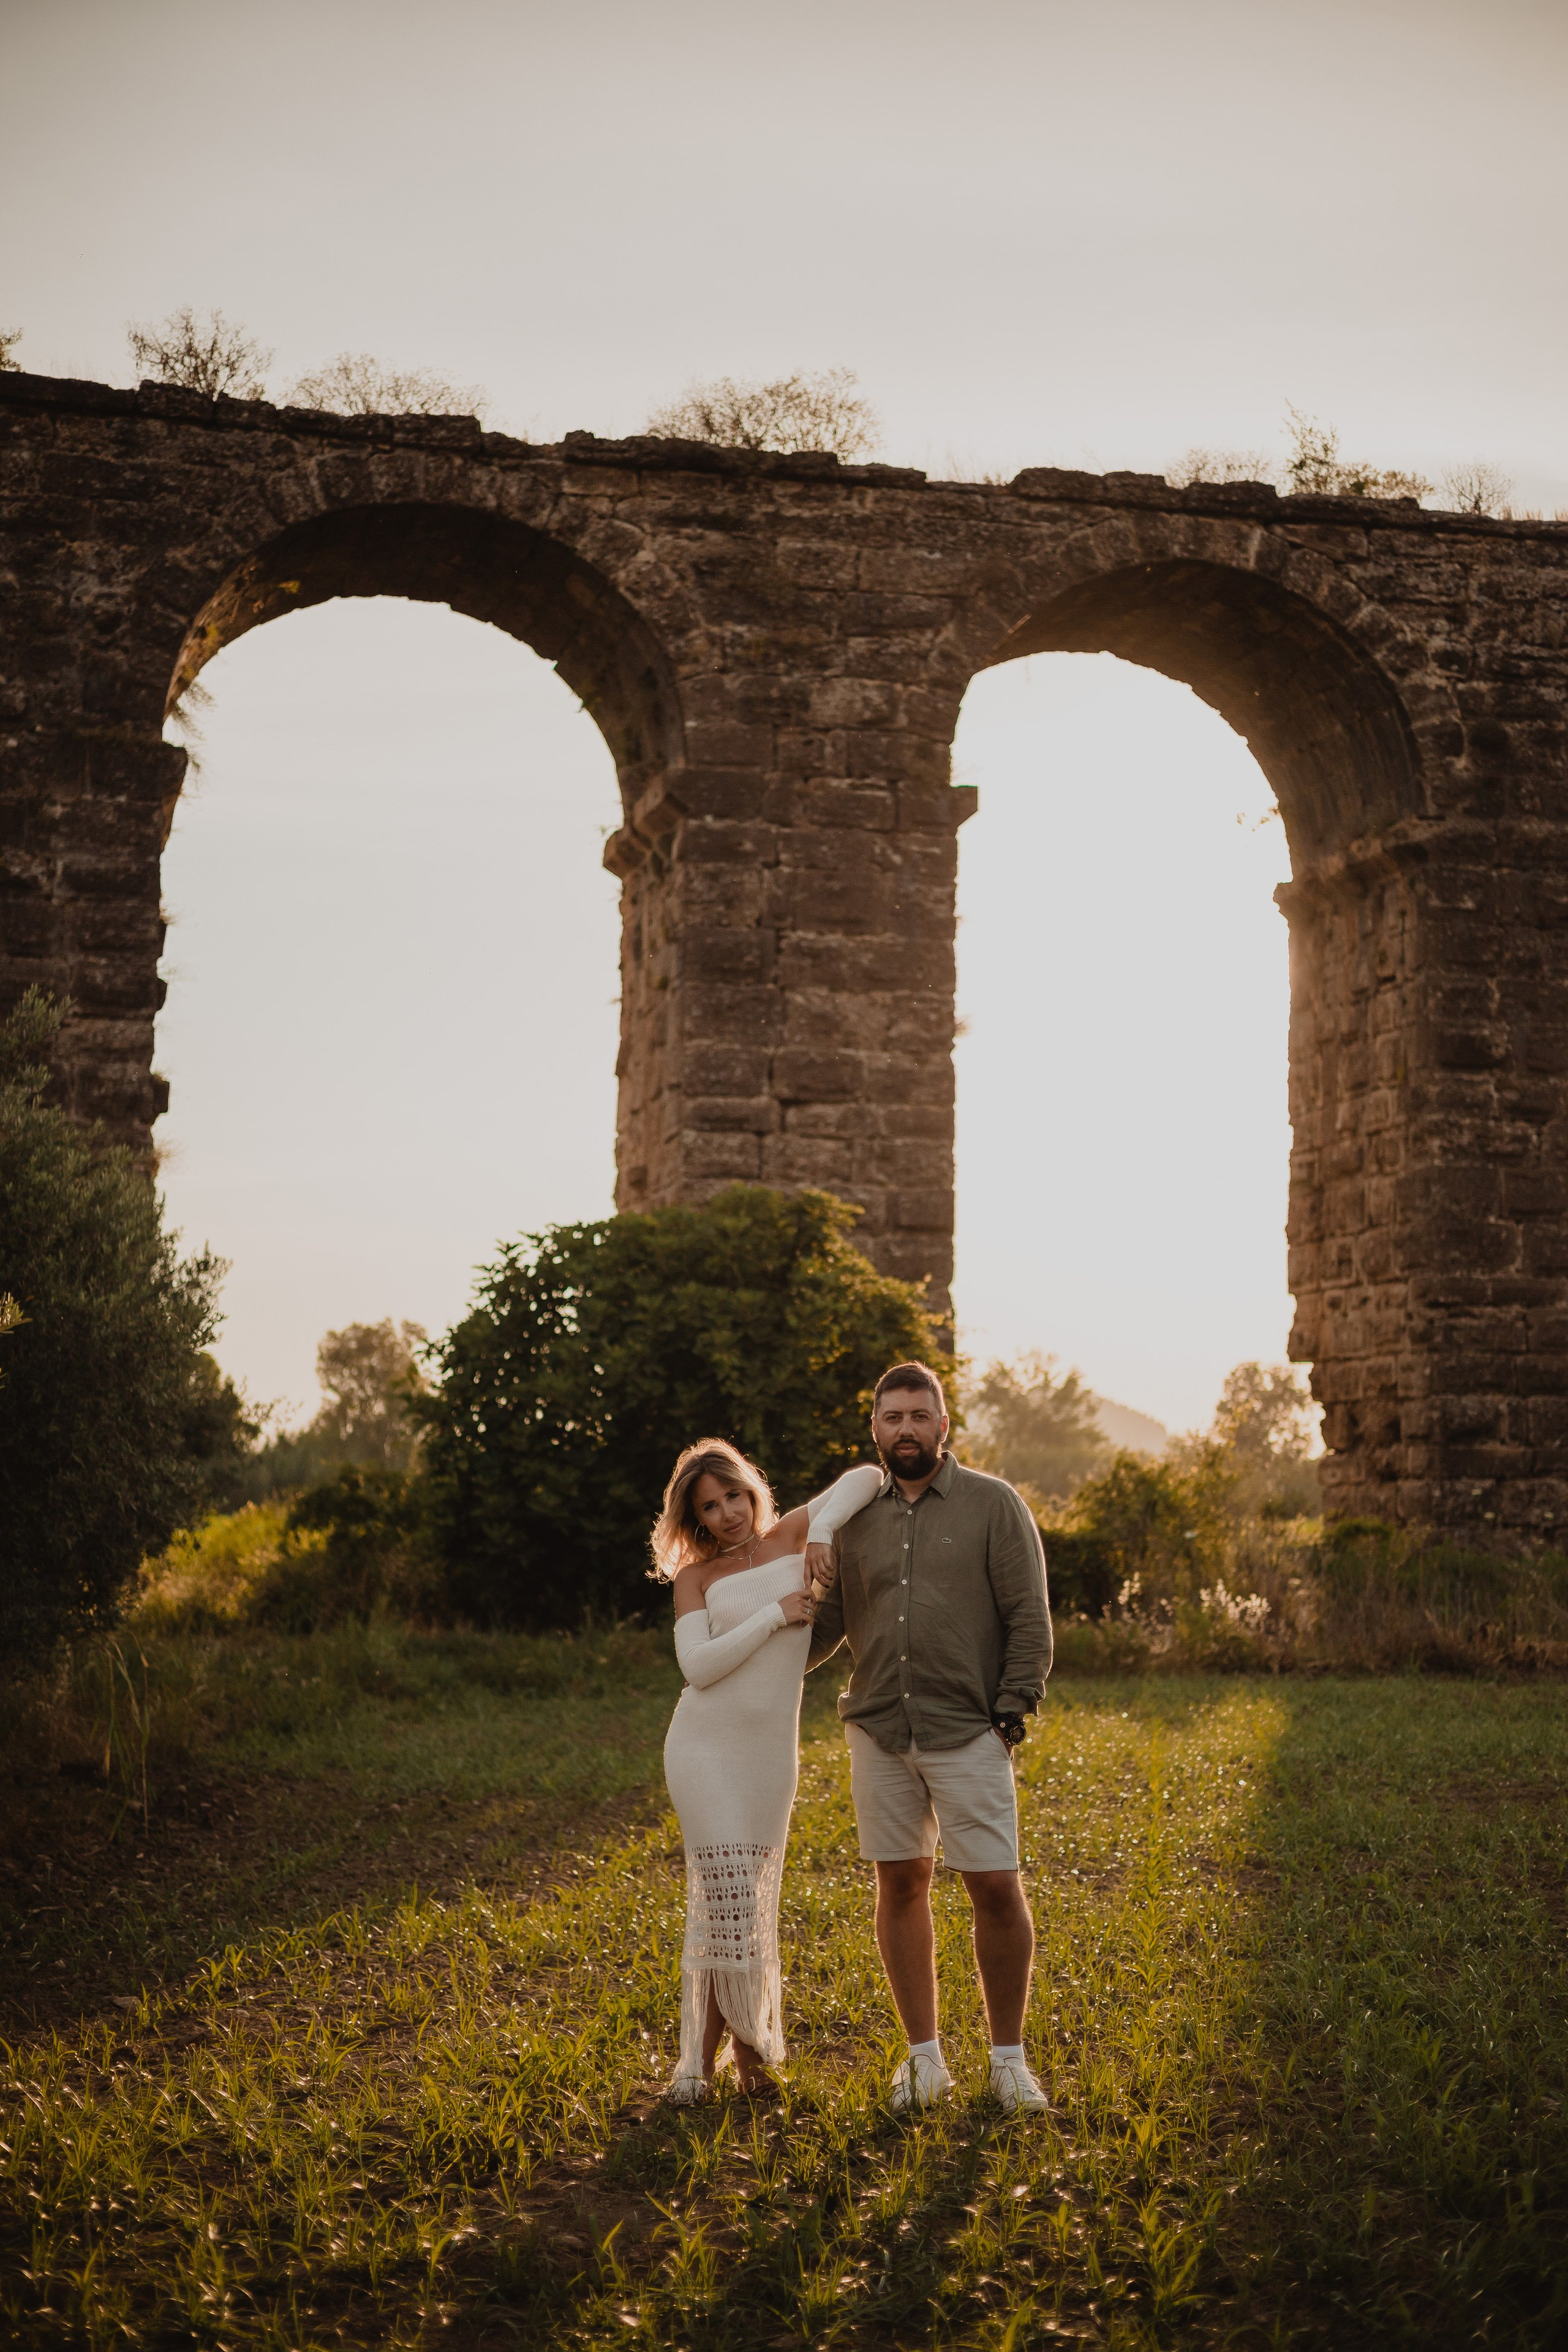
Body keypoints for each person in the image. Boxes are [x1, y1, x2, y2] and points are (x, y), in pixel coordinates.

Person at [808, 1361, 1053, 2114]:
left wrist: (1008, 1714)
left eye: (920, 1416)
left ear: (944, 1427)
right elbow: (823, 1627)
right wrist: (745, 1646)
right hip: (879, 1729)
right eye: (892, 1418)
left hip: (967, 1729)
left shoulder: (992, 1504)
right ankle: (924, 2061)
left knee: (993, 1885)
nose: (906, 1429)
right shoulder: (853, 1520)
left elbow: (1029, 1620)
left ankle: (1007, 2062)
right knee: (901, 1883)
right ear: (874, 1431)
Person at [654, 1439, 883, 2101]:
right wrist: (773, 1614)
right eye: (710, 1506)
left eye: (734, 1496)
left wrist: (826, 1533)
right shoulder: (695, 1578)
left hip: (767, 1756)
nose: (727, 1513)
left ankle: (745, 2055)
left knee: (747, 1908)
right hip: (703, 1748)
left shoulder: (793, 1533)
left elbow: (866, 1476)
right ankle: (700, 2065)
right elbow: (697, 1668)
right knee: (723, 1901)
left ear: (753, 1491)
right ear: (694, 1519)